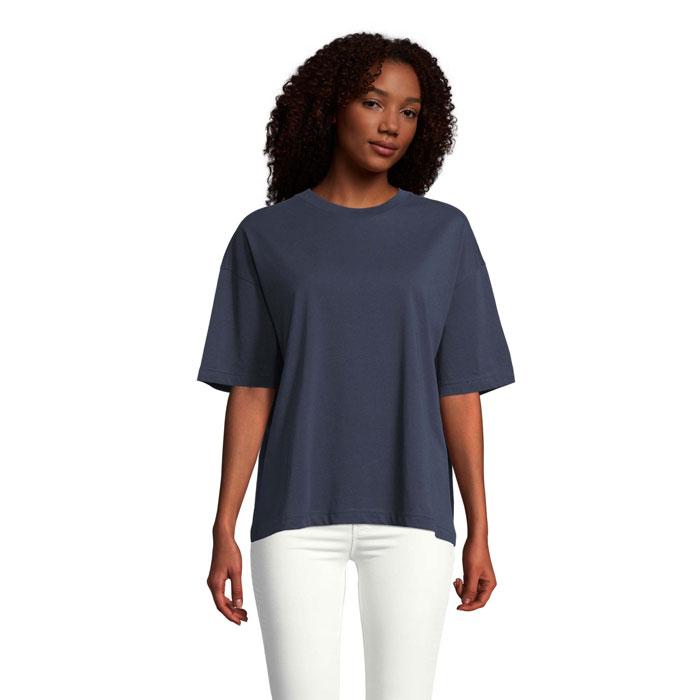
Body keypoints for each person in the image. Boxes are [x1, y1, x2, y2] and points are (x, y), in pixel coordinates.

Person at [197, 32, 515, 700]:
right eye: (374, 102)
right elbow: (252, 387)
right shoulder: (265, 237)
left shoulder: (445, 234)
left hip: (415, 511)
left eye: (409, 111)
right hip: (293, 510)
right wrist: (224, 524)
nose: (391, 124)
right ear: (330, 107)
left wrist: (480, 527)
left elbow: (459, 390)